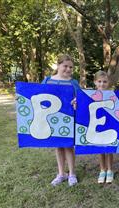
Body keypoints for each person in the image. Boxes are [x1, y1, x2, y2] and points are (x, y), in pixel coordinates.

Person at [42, 54, 80, 186]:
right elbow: (38, 96)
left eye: (71, 67)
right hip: (52, 119)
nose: (68, 69)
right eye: (65, 66)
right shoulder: (47, 80)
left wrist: (77, 101)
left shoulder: (73, 83)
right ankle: (61, 173)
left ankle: (72, 173)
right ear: (58, 65)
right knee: (58, 146)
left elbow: (81, 98)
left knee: (68, 146)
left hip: (68, 119)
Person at [94, 71, 115, 184]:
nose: (102, 84)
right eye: (99, 81)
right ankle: (102, 170)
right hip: (97, 124)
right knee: (100, 149)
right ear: (95, 82)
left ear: (108, 83)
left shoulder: (112, 95)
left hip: (109, 124)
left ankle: (110, 169)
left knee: (109, 148)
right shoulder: (90, 95)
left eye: (105, 81)